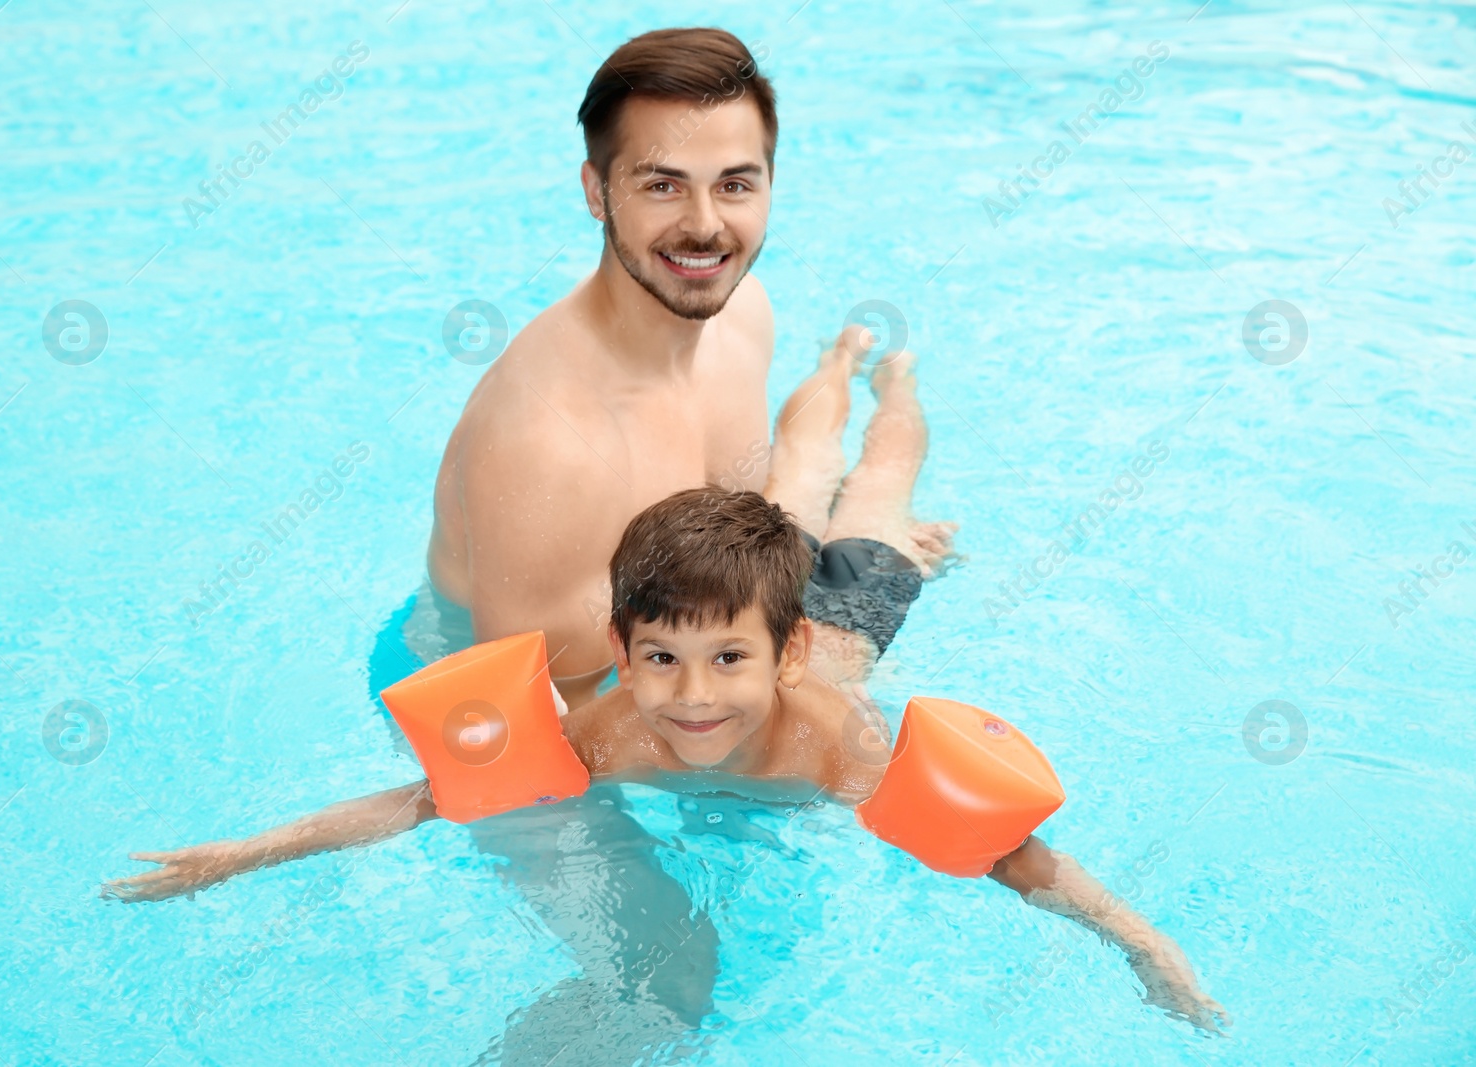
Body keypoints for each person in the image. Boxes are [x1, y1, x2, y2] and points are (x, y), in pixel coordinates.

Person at [106, 488, 1230, 1036]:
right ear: (625, 650)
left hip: (847, 626)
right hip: (774, 612)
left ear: (774, 656)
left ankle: (867, 383)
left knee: (878, 499)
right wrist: (239, 853)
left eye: (726, 662)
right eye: (661, 661)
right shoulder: (607, 729)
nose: (692, 700)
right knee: (789, 508)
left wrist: (1145, 942)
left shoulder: (837, 749)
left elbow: (1010, 854)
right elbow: (420, 798)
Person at [405, 27, 954, 709]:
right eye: (663, 184)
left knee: (852, 496)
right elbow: (544, 758)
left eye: (733, 185)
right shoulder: (552, 454)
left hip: (718, 625)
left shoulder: (742, 312)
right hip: (555, 703)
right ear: (598, 192)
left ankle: (853, 374)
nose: (704, 227)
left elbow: (747, 540)